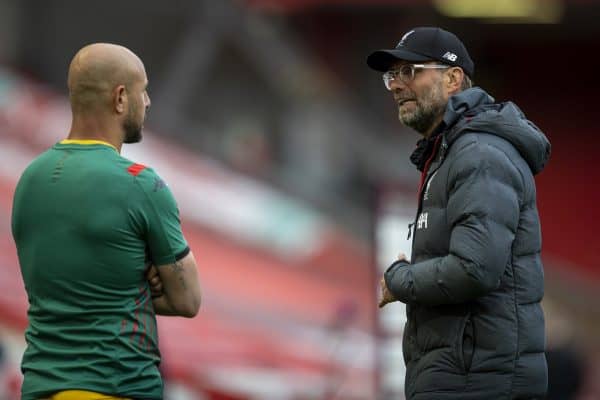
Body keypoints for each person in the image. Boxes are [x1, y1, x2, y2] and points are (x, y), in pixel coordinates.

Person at [11, 43, 202, 400]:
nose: (147, 102)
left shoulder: (30, 179)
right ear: (119, 98)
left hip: (41, 387)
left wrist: (115, 283)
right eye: (142, 91)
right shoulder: (141, 183)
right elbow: (188, 299)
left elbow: (58, 289)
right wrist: (139, 283)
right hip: (115, 387)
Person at [368, 27, 550, 399]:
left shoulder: (479, 154)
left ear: (452, 78)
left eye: (411, 72)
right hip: (465, 376)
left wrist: (399, 279)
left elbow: (474, 268)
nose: (397, 86)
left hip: (478, 381)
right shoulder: (453, 153)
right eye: (393, 76)